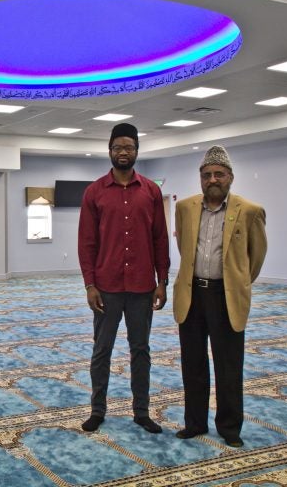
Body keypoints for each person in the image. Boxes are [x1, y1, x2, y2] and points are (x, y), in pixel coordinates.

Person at [78, 122, 170, 433]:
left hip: (143, 287)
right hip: (107, 287)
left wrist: (162, 280)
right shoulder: (94, 192)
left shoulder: (152, 191)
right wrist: (90, 284)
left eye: (128, 147)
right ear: (109, 151)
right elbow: (86, 243)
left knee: (140, 350)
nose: (123, 152)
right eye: (117, 147)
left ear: (137, 152)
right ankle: (97, 410)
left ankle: (141, 412)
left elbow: (160, 240)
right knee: (101, 350)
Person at [172, 145, 267, 448]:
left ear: (230, 177)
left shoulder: (249, 211)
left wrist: (236, 283)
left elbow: (256, 257)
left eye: (218, 174)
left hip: (226, 296)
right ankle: (195, 422)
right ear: (200, 178)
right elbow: (184, 250)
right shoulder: (185, 207)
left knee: (228, 364)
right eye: (206, 174)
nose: (212, 179)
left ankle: (229, 427)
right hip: (192, 295)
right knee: (193, 363)